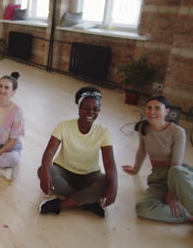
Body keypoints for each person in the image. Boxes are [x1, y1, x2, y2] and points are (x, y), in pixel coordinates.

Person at [38, 86, 118, 217]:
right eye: (86, 108)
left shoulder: (104, 132)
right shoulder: (63, 125)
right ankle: (87, 201)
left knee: (107, 182)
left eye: (95, 109)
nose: (90, 112)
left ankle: (60, 205)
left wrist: (114, 187)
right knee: (43, 170)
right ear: (79, 108)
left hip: (90, 175)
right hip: (63, 172)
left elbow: (109, 162)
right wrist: (45, 174)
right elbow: (50, 152)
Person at [122, 95, 193, 223]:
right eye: (149, 107)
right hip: (159, 178)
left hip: (179, 176)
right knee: (143, 208)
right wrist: (135, 169)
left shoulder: (178, 131)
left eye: (157, 108)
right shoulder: (144, 128)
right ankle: (185, 216)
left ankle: (183, 203)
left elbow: (176, 165)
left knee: (176, 171)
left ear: (167, 111)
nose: (152, 112)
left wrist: (171, 195)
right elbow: (141, 151)